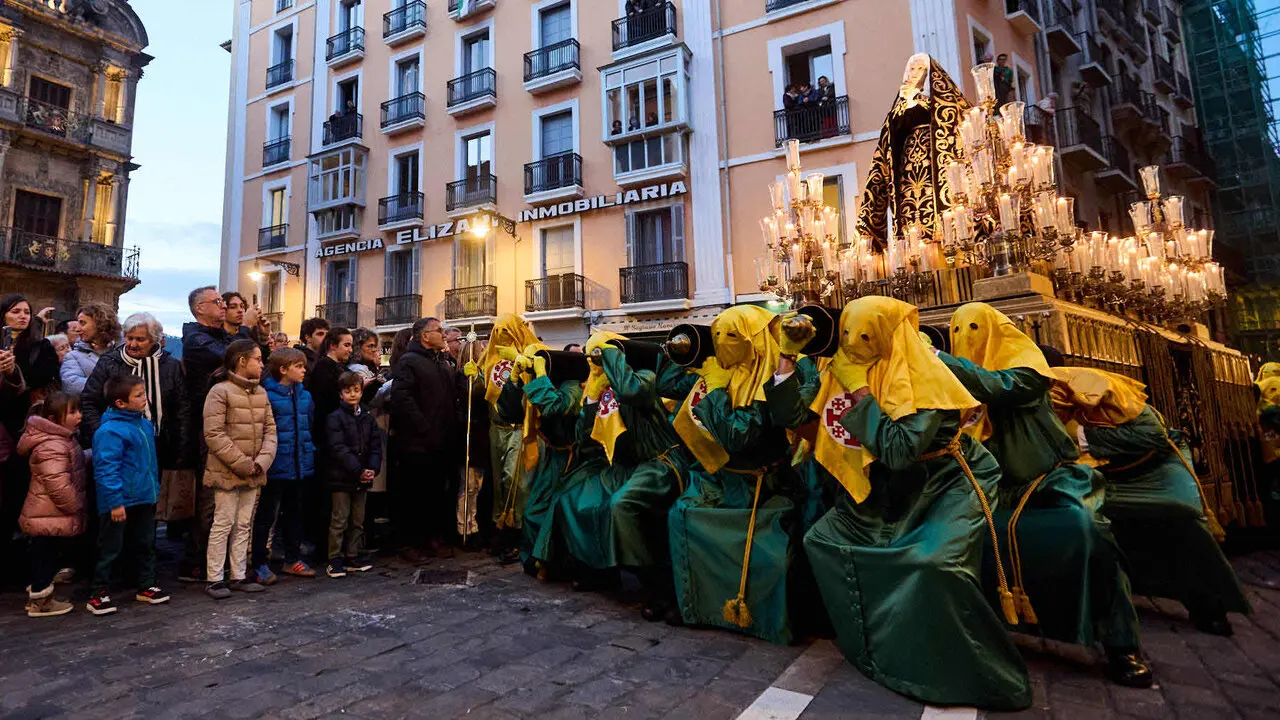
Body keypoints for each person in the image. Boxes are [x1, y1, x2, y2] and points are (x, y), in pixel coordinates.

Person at [769, 297, 1031, 709]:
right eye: (848, 334)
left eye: (865, 335)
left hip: (945, 482)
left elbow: (898, 449)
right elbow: (791, 416)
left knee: (934, 565)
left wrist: (856, 388)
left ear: (888, 337)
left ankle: (974, 672)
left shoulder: (924, 376)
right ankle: (880, 648)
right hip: (889, 488)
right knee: (823, 539)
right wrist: (787, 357)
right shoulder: (849, 366)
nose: (853, 342)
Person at [939, 302, 1151, 688]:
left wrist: (937, 357)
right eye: (957, 333)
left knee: (1086, 533)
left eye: (974, 329)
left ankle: (1122, 644)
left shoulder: (1029, 375)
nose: (965, 340)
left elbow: (997, 386)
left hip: (1052, 481)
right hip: (993, 491)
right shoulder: (957, 387)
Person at [1048, 365, 1250, 636]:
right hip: (1105, 477)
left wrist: (1082, 436)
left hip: (1156, 470)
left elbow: (1151, 436)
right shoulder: (1043, 404)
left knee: (1182, 521)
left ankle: (1209, 605)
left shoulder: (1112, 393)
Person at [668, 306, 816, 641]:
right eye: (717, 335)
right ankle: (697, 605)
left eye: (731, 336)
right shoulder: (721, 371)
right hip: (725, 482)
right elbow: (668, 385)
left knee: (774, 551)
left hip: (765, 488)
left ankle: (766, 615)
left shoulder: (771, 382)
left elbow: (736, 435)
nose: (721, 343)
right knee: (681, 516)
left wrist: (717, 390)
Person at [553, 332, 689, 619]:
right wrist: (591, 396)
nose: (594, 361)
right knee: (573, 499)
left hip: (660, 462)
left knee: (622, 506)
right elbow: (585, 438)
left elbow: (632, 392)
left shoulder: (644, 376)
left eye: (597, 354)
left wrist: (611, 353)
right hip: (623, 466)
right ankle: (601, 570)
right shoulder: (603, 386)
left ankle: (658, 587)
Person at [88, 375, 169, 615]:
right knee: (110, 547)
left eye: (143, 393)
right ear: (120, 403)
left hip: (143, 496)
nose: (144, 398)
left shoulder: (143, 424)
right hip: (120, 500)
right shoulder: (110, 431)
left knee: (145, 543)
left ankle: (146, 584)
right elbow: (105, 468)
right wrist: (114, 502)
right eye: (138, 395)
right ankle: (98, 591)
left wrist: (153, 490)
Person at [202, 340, 277, 600]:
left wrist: (262, 462)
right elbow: (214, 433)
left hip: (254, 471)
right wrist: (243, 463)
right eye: (257, 358)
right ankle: (214, 578)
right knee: (223, 523)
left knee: (244, 524)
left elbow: (271, 430)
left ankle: (238, 574)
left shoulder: (261, 393)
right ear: (242, 361)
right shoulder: (220, 392)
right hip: (228, 471)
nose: (262, 363)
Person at [389, 317, 462, 558]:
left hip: (442, 441)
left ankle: (434, 537)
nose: (443, 334)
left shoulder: (441, 362)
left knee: (436, 493)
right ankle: (410, 542)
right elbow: (403, 400)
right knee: (414, 495)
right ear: (424, 336)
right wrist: (424, 428)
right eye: (438, 330)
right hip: (418, 443)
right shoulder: (408, 362)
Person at [1, 295, 61, 575]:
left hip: (24, 422)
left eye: (27, 312)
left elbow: (45, 376)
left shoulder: (40, 346)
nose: (22, 316)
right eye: (16, 312)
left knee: (19, 489)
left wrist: (14, 371)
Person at [178, 286, 232, 583]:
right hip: (206, 426)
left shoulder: (219, 335)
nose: (223, 305)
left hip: (225, 423)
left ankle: (214, 557)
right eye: (218, 301)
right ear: (200, 308)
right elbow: (235, 356)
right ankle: (197, 560)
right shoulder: (197, 340)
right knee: (209, 495)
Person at [18, 392, 87, 617]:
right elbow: (57, 484)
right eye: (72, 412)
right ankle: (41, 602)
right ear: (53, 418)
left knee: (44, 555)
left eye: (79, 410)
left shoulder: (62, 439)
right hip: (48, 513)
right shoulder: (52, 445)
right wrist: (75, 504)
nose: (79, 416)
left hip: (46, 513)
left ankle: (39, 596)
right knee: (44, 557)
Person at [480, 315, 543, 563]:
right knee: (500, 483)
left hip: (521, 428)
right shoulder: (489, 359)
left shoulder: (532, 354)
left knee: (518, 482)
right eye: (498, 330)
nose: (502, 334)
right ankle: (501, 528)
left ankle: (518, 532)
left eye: (507, 330)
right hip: (496, 429)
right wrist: (472, 377)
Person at [256, 348, 317, 582]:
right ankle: (260, 562)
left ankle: (292, 559)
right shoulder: (266, 395)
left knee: (295, 513)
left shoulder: (305, 396)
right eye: (299, 366)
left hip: (300, 462)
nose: (304, 370)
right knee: (266, 516)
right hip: (275, 463)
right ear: (283, 369)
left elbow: (308, 425)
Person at [324, 372, 382, 578]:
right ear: (340, 394)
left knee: (357, 518)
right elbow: (338, 448)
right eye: (348, 391)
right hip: (342, 477)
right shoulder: (335, 418)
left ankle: (352, 554)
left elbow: (376, 445)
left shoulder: (367, 417)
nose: (352, 395)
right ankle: (334, 558)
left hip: (362, 476)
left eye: (356, 390)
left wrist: (372, 469)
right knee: (340, 518)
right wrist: (358, 470)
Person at [305, 327, 352, 554]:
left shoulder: (336, 368)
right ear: (333, 345)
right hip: (327, 439)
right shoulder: (326, 368)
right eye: (346, 345)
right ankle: (326, 545)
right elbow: (327, 405)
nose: (350, 350)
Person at [61, 303, 122, 396]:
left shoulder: (122, 351)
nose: (77, 329)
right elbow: (72, 385)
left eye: (82, 323)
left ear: (100, 323)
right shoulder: (73, 357)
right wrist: (113, 387)